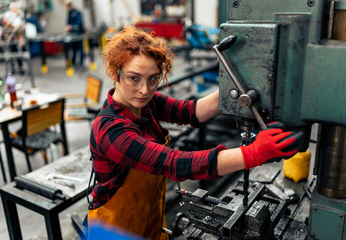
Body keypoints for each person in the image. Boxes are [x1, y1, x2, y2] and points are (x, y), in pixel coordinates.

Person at [88, 26, 302, 240]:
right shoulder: (110, 130)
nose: (145, 90)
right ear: (115, 72)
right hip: (113, 229)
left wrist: (235, 88)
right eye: (134, 78)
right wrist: (253, 154)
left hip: (148, 218)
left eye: (153, 79)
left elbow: (191, 112)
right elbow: (175, 164)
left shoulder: (145, 104)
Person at [64, 0, 85, 66]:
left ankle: (81, 62)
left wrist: (72, 27)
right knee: (73, 49)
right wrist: (67, 27)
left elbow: (79, 23)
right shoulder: (69, 13)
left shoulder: (77, 13)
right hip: (72, 35)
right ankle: (73, 62)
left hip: (79, 34)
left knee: (80, 48)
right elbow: (68, 22)